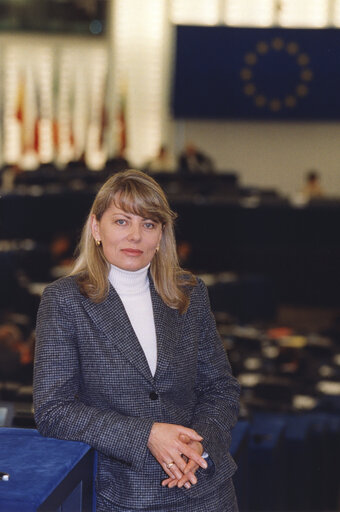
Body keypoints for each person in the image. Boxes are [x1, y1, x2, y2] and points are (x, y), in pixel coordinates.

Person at [33, 169, 240, 512]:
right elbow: (54, 411)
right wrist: (146, 435)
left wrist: (196, 448)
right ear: (96, 228)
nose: (135, 236)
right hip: (123, 495)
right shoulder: (64, 300)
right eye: (121, 221)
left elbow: (220, 388)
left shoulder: (190, 293)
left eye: (148, 224)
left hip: (205, 488)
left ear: (161, 236)